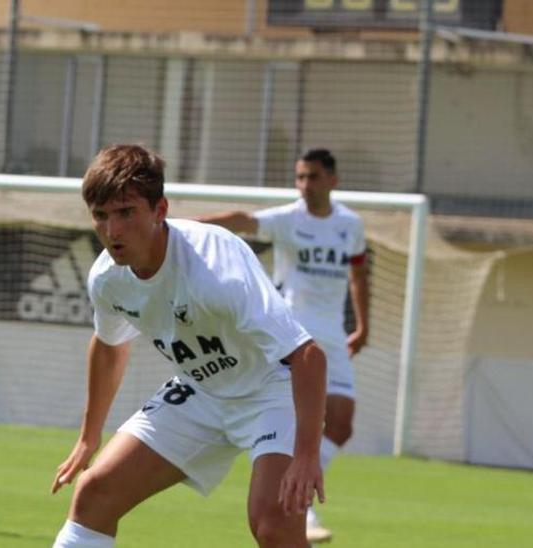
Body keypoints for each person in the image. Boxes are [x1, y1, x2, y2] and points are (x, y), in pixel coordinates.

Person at [50, 144, 328, 548]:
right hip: (202, 390)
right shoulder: (107, 279)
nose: (113, 231)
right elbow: (110, 346)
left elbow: (307, 356)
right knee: (94, 494)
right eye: (101, 216)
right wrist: (89, 437)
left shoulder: (215, 269)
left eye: (126, 213)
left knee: (273, 525)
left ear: (160, 210)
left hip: (271, 389)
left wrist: (305, 455)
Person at [197, 148, 369, 544]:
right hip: (293, 331)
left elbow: (359, 274)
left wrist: (363, 325)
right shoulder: (288, 218)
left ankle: (296, 486)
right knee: (295, 419)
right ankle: (297, 503)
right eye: (300, 177)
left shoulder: (350, 225)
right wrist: (182, 228)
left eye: (312, 177)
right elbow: (242, 221)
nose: (305, 185)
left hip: (332, 332)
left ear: (333, 180)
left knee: (342, 422)